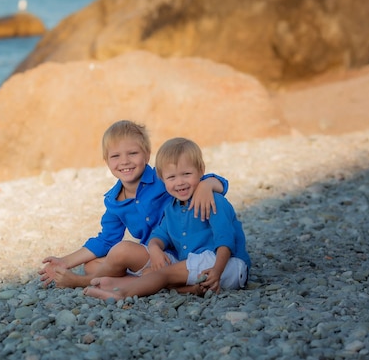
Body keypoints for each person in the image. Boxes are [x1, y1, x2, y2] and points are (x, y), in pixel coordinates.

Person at [39, 121, 229, 288]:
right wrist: (64, 261)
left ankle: (82, 283)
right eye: (115, 156)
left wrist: (207, 184)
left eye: (132, 153)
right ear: (106, 161)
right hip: (153, 256)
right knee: (91, 265)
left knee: (121, 252)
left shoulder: (163, 178)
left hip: (182, 251)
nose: (124, 161)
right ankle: (143, 281)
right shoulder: (114, 201)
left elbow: (206, 181)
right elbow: (106, 240)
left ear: (146, 155)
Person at [83, 137, 251, 300]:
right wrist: (155, 250)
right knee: (153, 272)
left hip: (228, 265)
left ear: (201, 170)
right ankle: (190, 290)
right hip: (197, 264)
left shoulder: (213, 200)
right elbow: (159, 236)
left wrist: (217, 271)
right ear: (162, 179)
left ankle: (121, 293)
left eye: (186, 174)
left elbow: (225, 241)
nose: (180, 182)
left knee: (161, 274)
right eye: (172, 177)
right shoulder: (172, 209)